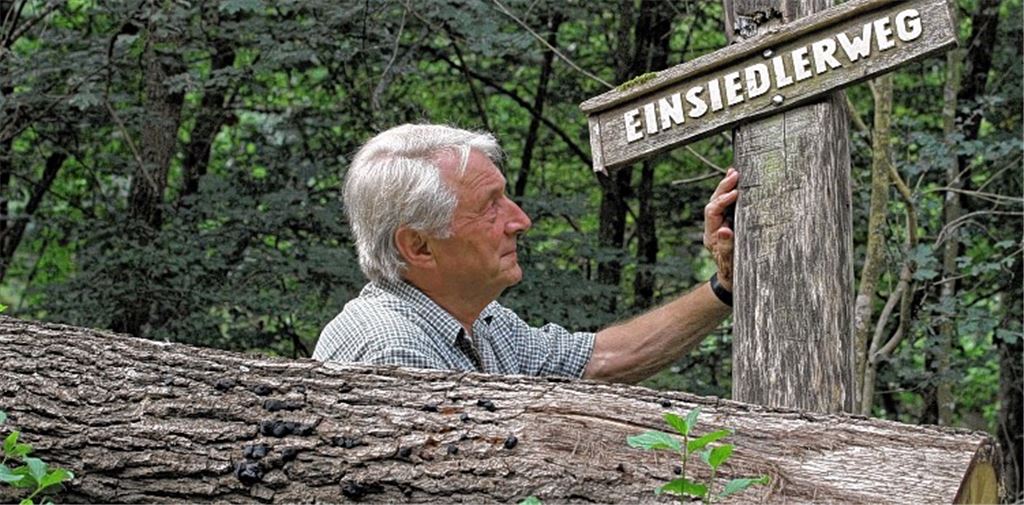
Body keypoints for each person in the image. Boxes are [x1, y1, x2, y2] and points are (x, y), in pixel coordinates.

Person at [313, 124, 738, 383]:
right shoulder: (394, 353)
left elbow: (601, 360)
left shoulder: (481, 321)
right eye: (489, 206)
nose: (520, 220)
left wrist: (725, 285)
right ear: (419, 246)